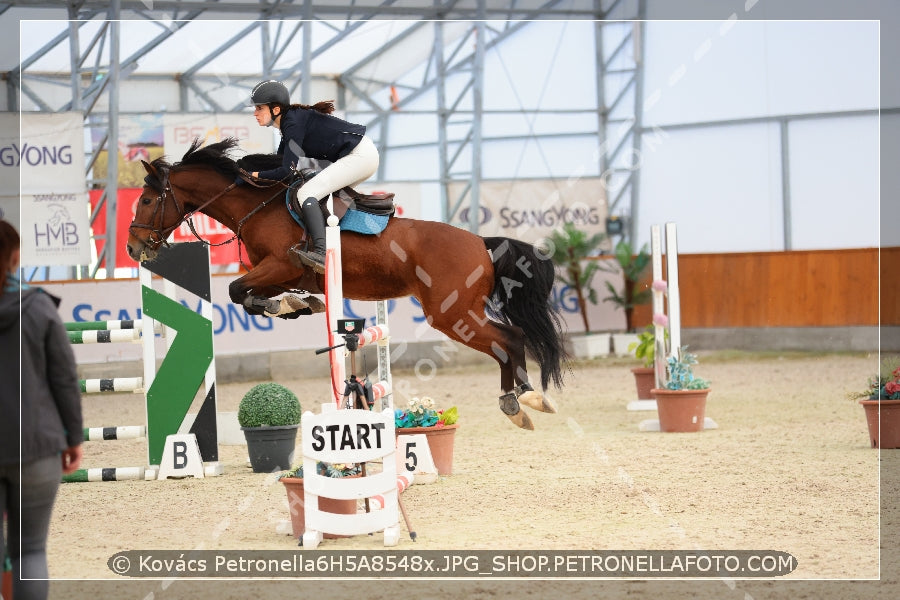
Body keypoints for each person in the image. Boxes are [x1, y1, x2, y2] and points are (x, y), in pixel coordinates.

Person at [0, 219, 83, 600]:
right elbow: (64, 380)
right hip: (37, 446)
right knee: (29, 549)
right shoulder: (39, 307)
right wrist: (74, 437)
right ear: (15, 259)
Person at [248, 80, 379, 274]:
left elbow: (286, 171)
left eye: (259, 108)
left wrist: (254, 175)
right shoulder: (289, 124)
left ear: (275, 109)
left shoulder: (292, 123)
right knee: (318, 192)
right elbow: (278, 162)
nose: (255, 113)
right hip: (360, 155)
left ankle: (321, 253)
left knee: (306, 193)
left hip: (360, 156)